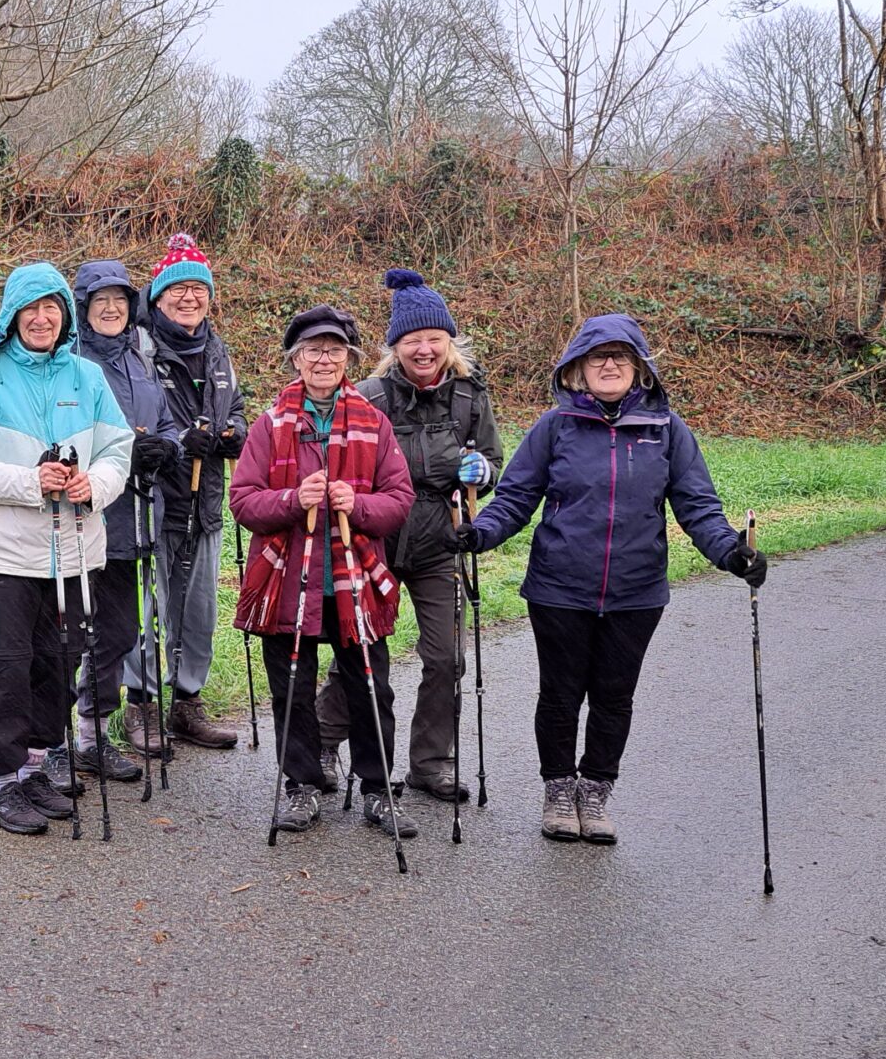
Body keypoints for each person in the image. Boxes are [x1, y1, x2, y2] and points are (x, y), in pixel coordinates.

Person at [453, 314, 767, 845]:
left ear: (640, 369)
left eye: (621, 356)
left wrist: (731, 553)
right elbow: (515, 498)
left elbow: (699, 507)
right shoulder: (555, 427)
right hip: (559, 588)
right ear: (577, 368)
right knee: (560, 695)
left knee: (614, 696)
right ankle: (559, 790)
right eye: (597, 357)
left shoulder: (667, 431)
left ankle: (595, 791)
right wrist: (479, 533)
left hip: (636, 592)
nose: (609, 365)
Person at [0, 262, 135, 833]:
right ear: (12, 315)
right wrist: (33, 482)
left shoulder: (87, 377)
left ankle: (34, 771)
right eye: (30, 308)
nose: (41, 318)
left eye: (51, 307)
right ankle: (3, 782)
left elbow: (118, 450)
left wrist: (93, 485)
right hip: (7, 555)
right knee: (7, 669)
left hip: (75, 552)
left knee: (59, 665)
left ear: (65, 314)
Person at [231, 305, 417, 835]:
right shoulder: (270, 424)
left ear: (349, 360)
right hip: (286, 581)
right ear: (296, 359)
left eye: (335, 350)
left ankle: (378, 790)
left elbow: (399, 499)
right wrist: (293, 499)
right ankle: (302, 786)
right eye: (313, 350)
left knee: (371, 688)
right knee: (291, 688)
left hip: (355, 582)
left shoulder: (373, 423)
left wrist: (356, 504)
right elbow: (242, 500)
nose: (324, 359)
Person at [323, 268, 504, 803]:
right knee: (358, 648)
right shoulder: (369, 397)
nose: (424, 350)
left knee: (446, 658)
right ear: (395, 347)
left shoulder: (470, 397)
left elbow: (492, 461)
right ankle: (323, 743)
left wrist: (483, 473)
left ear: (449, 341)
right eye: (412, 340)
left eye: (433, 338)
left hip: (439, 540)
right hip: (374, 537)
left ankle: (431, 763)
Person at [121, 233, 249, 756]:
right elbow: (133, 415)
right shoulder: (139, 349)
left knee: (198, 611)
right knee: (148, 606)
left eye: (199, 288)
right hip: (152, 500)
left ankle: (187, 702)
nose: (189, 298)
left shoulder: (216, 349)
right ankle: (141, 705)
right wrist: (176, 440)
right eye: (178, 289)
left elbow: (235, 406)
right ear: (158, 297)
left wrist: (235, 433)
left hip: (206, 499)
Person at [62, 260, 184, 791]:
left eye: (119, 299)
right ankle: (50, 743)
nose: (111, 309)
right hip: (84, 519)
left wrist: (166, 448)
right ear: (82, 308)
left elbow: (167, 423)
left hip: (135, 519)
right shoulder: (71, 363)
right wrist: (122, 453)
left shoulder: (140, 357)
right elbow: (65, 437)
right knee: (70, 635)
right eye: (99, 301)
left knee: (116, 632)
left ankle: (92, 738)